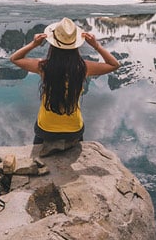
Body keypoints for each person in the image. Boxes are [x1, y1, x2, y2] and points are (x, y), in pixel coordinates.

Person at [9, 18, 120, 149]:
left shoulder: (44, 67)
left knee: (39, 149)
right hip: (74, 130)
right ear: (75, 45)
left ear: (53, 44)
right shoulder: (83, 68)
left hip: (46, 130)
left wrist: (34, 44)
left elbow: (14, 58)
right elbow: (114, 64)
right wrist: (97, 46)